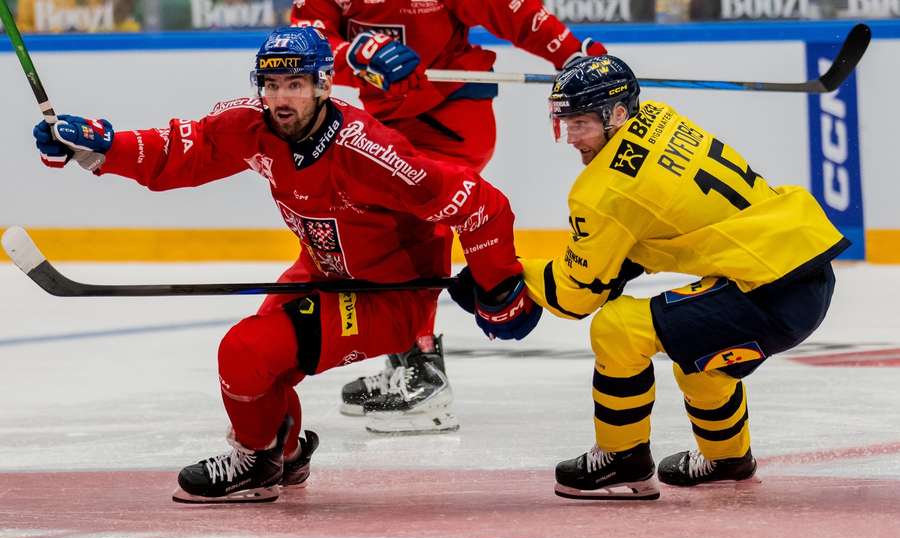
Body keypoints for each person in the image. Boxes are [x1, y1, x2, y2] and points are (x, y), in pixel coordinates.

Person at [31, 25, 541, 503]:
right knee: (256, 370)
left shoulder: (369, 152)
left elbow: (480, 204)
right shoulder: (253, 127)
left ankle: (257, 462)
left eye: (294, 84)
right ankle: (286, 454)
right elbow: (179, 150)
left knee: (244, 352)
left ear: (323, 85)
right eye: (270, 84)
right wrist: (99, 145)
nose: (280, 98)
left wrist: (500, 289)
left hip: (386, 296)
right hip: (321, 272)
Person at [451, 55, 848, 500]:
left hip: (769, 293)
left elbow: (573, 299)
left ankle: (622, 458)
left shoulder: (603, 191)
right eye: (564, 123)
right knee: (701, 356)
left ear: (617, 115)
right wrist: (617, 264)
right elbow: (660, 226)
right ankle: (728, 459)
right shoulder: (660, 117)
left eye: (579, 123)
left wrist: (502, 276)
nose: (570, 139)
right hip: (798, 268)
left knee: (618, 327)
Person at [291, 0, 606, 433]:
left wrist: (570, 51)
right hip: (388, 117)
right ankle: (406, 356)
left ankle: (424, 373)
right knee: (380, 229)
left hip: (450, 114)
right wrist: (352, 54)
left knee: (416, 226)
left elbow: (508, 10)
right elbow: (308, 46)